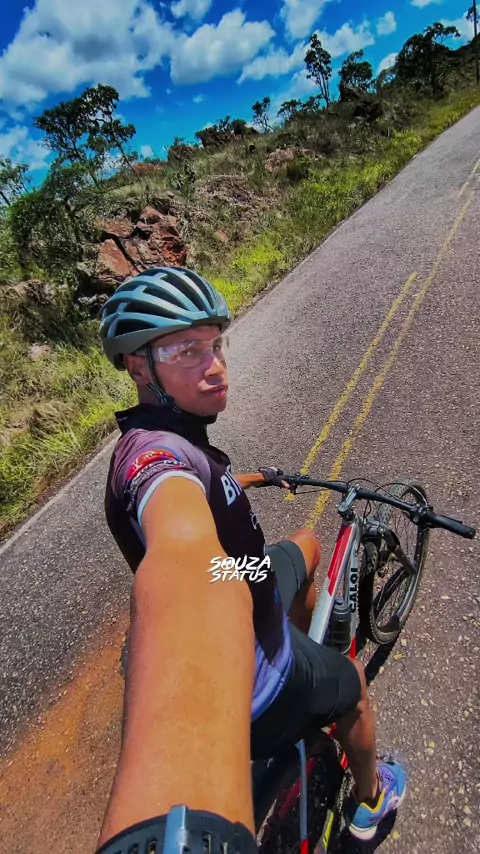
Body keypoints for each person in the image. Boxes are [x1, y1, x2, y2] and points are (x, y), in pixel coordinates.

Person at [95, 267, 406, 853]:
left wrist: (251, 479)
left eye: (215, 344)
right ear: (138, 368)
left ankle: (310, 644)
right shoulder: (151, 458)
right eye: (187, 350)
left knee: (307, 545)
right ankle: (371, 801)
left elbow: (199, 483)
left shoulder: (165, 433)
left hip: (243, 573)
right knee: (356, 686)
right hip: (257, 673)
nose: (215, 365)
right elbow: (184, 556)